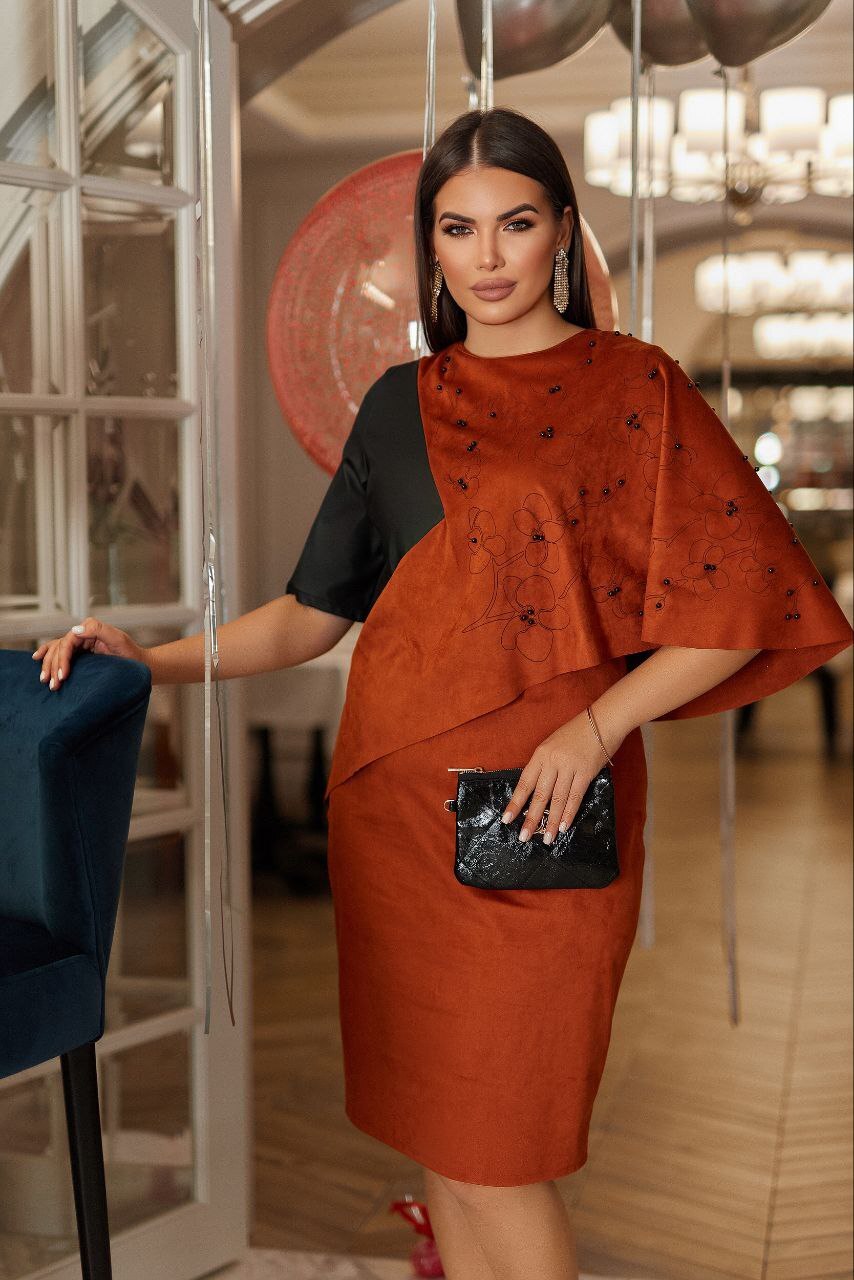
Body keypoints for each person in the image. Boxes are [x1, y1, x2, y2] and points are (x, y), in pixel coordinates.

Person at [34, 107, 853, 1280]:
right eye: (456, 229)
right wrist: (146, 659)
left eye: (514, 223)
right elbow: (311, 612)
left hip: (543, 808)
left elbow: (742, 605)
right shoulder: (395, 401)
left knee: (502, 1150)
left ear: (561, 229)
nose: (487, 255)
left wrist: (593, 726)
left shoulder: (634, 386)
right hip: (396, 813)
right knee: (444, 1148)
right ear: (429, 244)